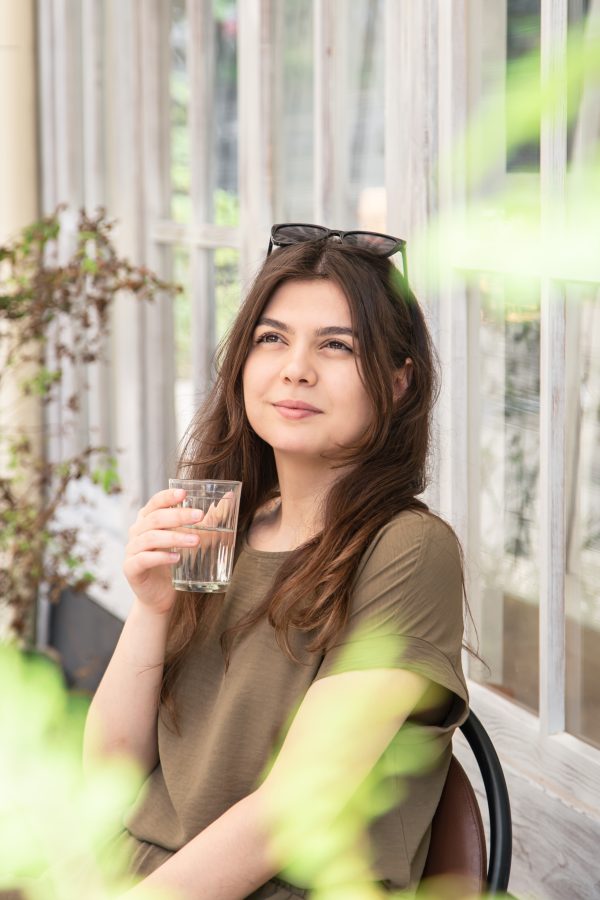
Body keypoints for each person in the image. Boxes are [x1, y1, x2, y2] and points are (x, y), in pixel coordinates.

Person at [83, 224, 469, 900]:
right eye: (272, 338)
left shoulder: (408, 549)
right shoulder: (218, 525)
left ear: (401, 382)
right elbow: (111, 774)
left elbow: (292, 811)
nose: (296, 368)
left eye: (337, 346)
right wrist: (150, 608)